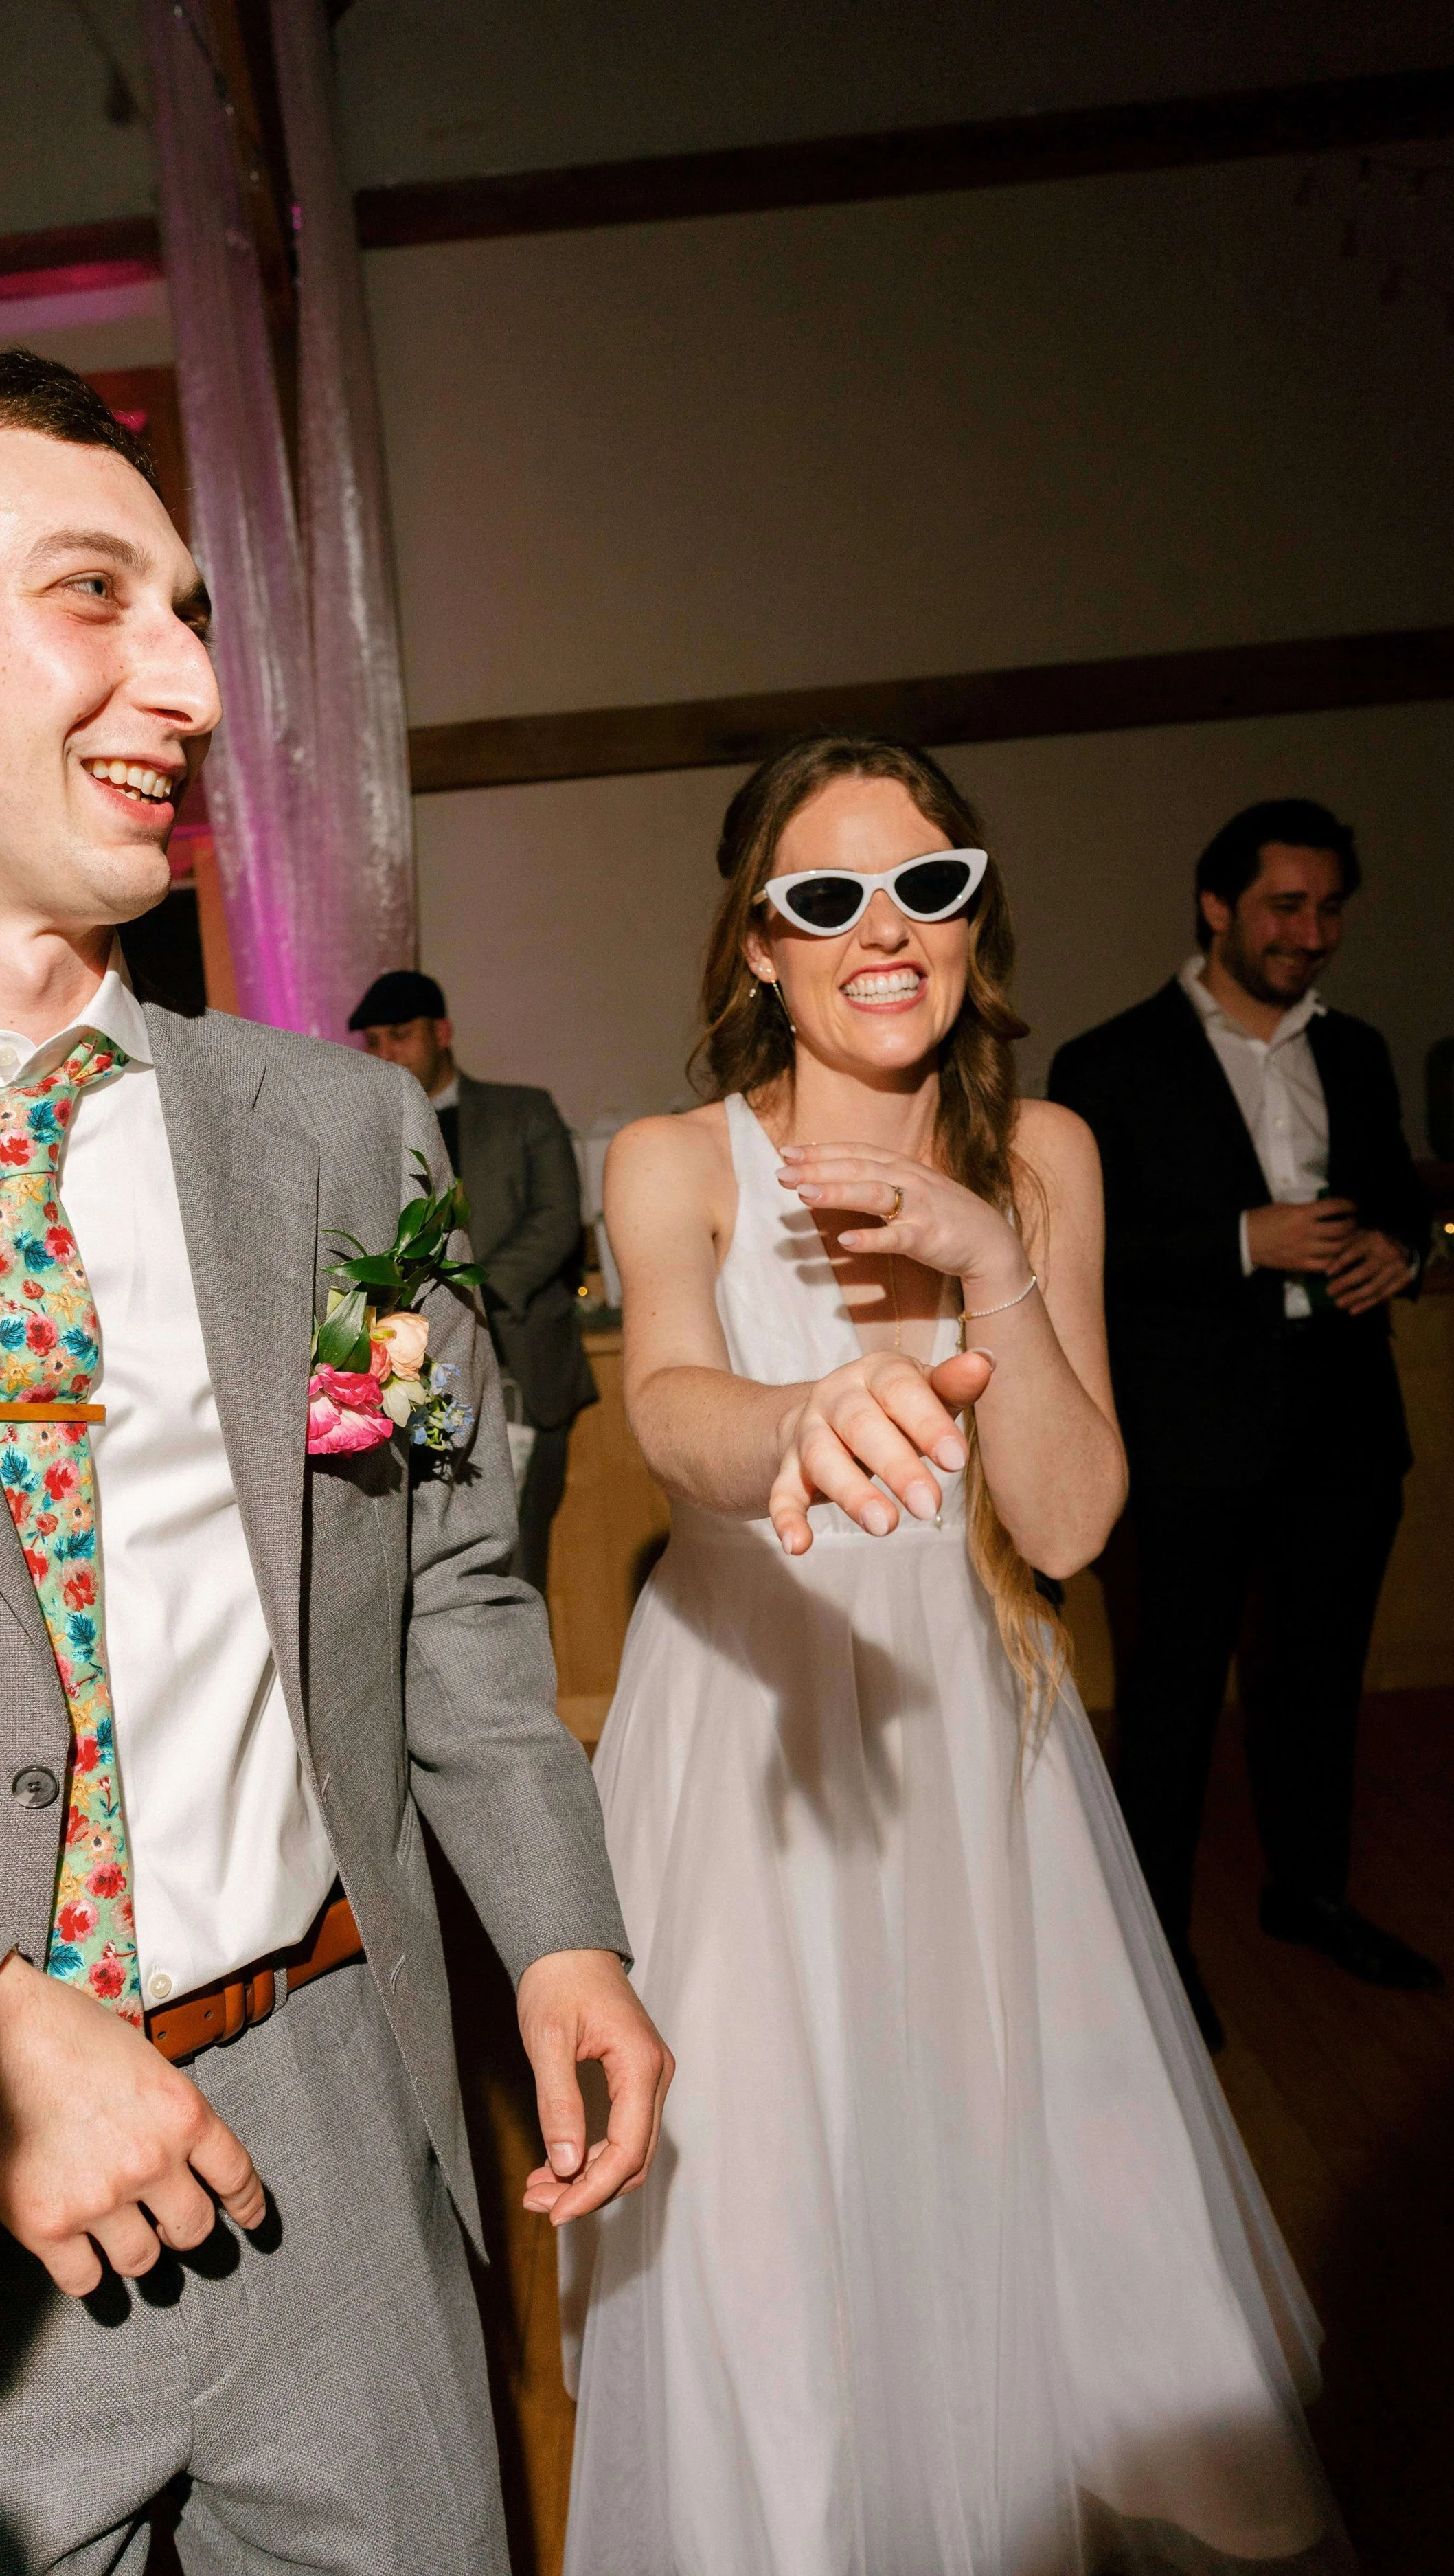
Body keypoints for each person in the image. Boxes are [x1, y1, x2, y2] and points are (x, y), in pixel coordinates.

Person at [0, 350, 669, 2576]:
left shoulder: (348, 1143)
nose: (185, 681)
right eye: (93, 596)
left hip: (333, 2138)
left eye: (196, 615)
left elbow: (440, 1558)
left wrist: (555, 1930)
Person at [558, 734, 1352, 2575]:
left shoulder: (1047, 1153)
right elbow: (670, 1404)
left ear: (970, 911)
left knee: (1031, 2162)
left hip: (969, 1726)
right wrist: (803, 1425)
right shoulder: (675, 1158)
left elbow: (1068, 1525)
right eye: (825, 898)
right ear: (758, 940)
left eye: (925, 884)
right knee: (764, 2192)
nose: (882, 930)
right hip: (748, 1722)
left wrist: (988, 1253)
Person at [1050, 800, 1436, 2048]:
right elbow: (1080, 1257)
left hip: (1341, 1427)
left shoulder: (1363, 1050)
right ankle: (1155, 1946)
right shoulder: (1108, 1065)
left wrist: (1400, 1251)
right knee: (1170, 1698)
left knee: (1321, 1680)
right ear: (1217, 907)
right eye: (1286, 906)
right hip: (1185, 1442)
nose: (1311, 933)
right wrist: (1238, 1240)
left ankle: (1310, 1894)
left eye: (1329, 909)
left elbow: (1398, 1201)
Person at [350, 970, 595, 1595]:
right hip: (409, 1380)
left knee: (521, 1558)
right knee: (429, 1573)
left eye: (400, 1035)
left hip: (519, 1363)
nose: (387, 1054)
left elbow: (557, 1221)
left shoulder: (524, 1110)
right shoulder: (361, 1129)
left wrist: (467, 1297)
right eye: (374, 1042)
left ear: (442, 1032)